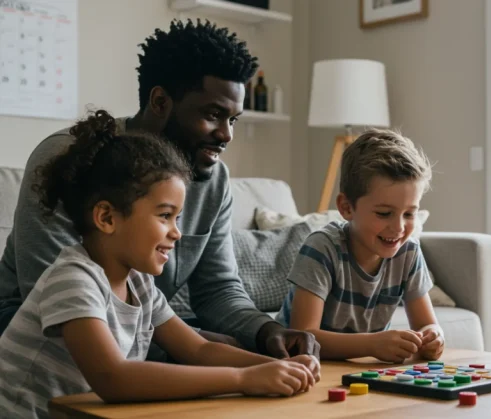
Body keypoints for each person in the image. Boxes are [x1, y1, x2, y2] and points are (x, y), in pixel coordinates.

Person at [0, 19, 318, 358]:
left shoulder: (214, 181)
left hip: (137, 324)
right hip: (35, 326)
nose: (227, 134)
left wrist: (267, 332)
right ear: (160, 101)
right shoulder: (72, 157)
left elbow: (217, 290)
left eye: (233, 120)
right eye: (213, 114)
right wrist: (189, 350)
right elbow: (49, 295)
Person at [0, 111, 321, 419]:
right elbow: (113, 378)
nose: (177, 232)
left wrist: (272, 366)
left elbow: (198, 350)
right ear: (107, 217)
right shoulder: (72, 280)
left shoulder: (139, 284)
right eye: (165, 215)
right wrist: (243, 379)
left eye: (178, 218)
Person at [275, 128, 444, 363]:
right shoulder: (322, 248)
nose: (398, 227)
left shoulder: (408, 253)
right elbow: (302, 338)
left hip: (356, 370)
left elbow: (427, 324)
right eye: (384, 213)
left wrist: (433, 336)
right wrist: (372, 344)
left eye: (409, 214)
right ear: (346, 208)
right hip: (295, 365)